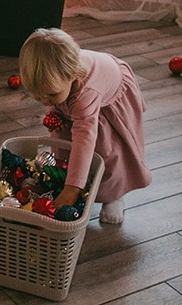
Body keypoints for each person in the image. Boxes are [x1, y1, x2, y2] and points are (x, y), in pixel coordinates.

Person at [18, 28, 152, 225]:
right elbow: (56, 98)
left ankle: (114, 196)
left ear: (72, 76)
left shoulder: (86, 93)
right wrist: (56, 105)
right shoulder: (57, 83)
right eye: (36, 95)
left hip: (109, 98)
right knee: (62, 141)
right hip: (75, 96)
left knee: (109, 152)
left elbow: (84, 140)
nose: (44, 101)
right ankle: (63, 177)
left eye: (51, 96)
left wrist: (73, 189)